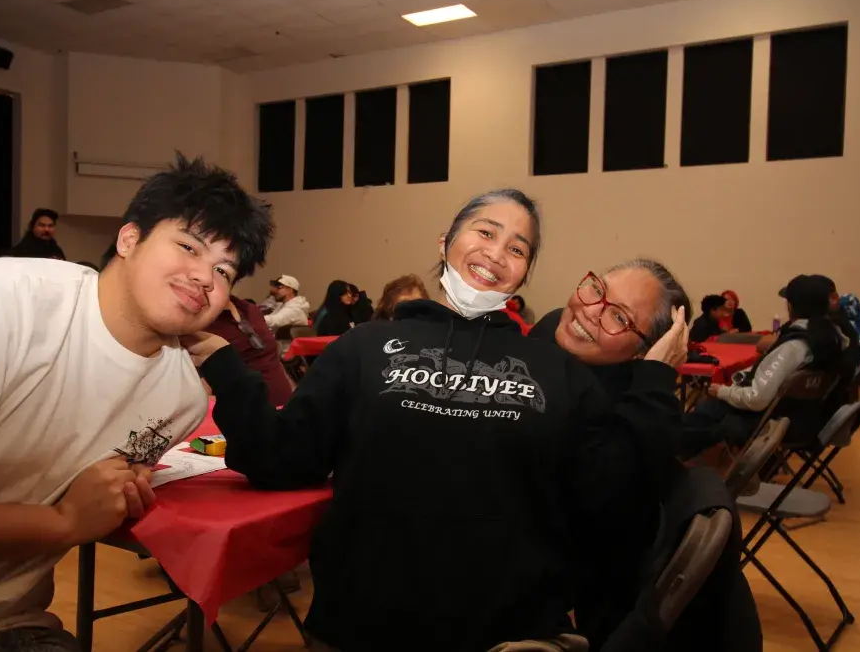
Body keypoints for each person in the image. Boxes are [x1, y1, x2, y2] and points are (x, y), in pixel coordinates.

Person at [183, 188, 689, 652]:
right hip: (363, 628)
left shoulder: (558, 373)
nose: (496, 252)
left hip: (506, 637)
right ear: (446, 241)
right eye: (486, 232)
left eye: (518, 248)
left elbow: (613, 497)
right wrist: (223, 363)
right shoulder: (364, 347)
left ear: (525, 275)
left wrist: (655, 381)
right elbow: (282, 458)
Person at [0, 154, 274, 652]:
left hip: (7, 627)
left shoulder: (181, 398)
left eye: (224, 270)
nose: (204, 277)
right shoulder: (2, 299)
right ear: (129, 240)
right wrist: (64, 523)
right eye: (187, 246)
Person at [529, 258, 692, 647]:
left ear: (645, 351)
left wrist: (657, 377)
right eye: (596, 289)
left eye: (618, 316)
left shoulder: (637, 407)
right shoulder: (550, 332)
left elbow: (602, 505)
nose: (589, 312)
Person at [679, 274, 846, 458]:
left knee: (705, 412)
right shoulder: (834, 338)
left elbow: (756, 399)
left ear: (792, 305)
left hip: (775, 423)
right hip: (805, 418)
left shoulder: (794, 346)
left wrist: (722, 391)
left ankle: (673, 461)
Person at [204, 296, 292, 408]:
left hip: (284, 408)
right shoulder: (198, 320)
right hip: (246, 416)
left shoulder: (250, 309)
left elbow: (273, 359)